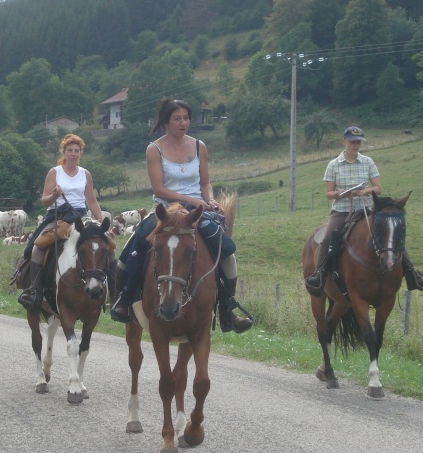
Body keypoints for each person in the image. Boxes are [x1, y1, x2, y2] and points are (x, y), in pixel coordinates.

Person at [110, 98, 254, 334]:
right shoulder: (154, 149)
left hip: (196, 212)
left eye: (186, 118)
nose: (183, 122)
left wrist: (209, 200)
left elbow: (205, 183)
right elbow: (159, 189)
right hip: (166, 211)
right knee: (131, 250)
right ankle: (123, 299)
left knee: (227, 252)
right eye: (177, 118)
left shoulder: (199, 146)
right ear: (166, 122)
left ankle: (228, 307)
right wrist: (192, 200)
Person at [304, 126, 423, 295]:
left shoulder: (368, 162)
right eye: (352, 142)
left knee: (390, 234)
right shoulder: (333, 165)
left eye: (358, 142)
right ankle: (319, 274)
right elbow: (329, 194)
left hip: (366, 208)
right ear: (344, 141)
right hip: (341, 210)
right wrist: (343, 194)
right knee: (327, 238)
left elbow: (378, 188)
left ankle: (412, 273)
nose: (355, 145)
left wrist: (364, 191)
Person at [19, 133, 111, 309]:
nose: (73, 153)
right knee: (36, 248)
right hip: (57, 216)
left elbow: (91, 201)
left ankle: (113, 293)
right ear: (64, 152)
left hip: (81, 217)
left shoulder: (85, 174)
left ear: (81, 153)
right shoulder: (55, 172)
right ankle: (34, 292)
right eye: (70, 150)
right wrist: (54, 195)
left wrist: (102, 222)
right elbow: (45, 200)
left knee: (109, 247)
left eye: (77, 150)